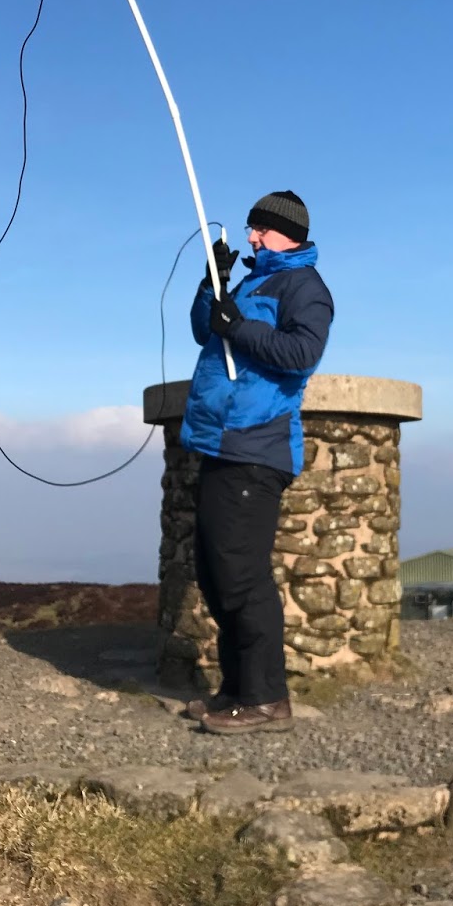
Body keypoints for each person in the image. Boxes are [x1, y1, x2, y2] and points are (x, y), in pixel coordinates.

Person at [179, 190, 334, 734]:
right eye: (249, 229)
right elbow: (206, 328)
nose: (250, 237)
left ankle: (267, 699)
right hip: (218, 442)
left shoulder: (305, 288)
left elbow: (300, 355)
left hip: (256, 446)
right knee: (216, 572)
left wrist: (238, 325)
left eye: (259, 230)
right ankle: (235, 692)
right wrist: (212, 285)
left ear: (285, 232)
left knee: (242, 575)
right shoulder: (250, 281)